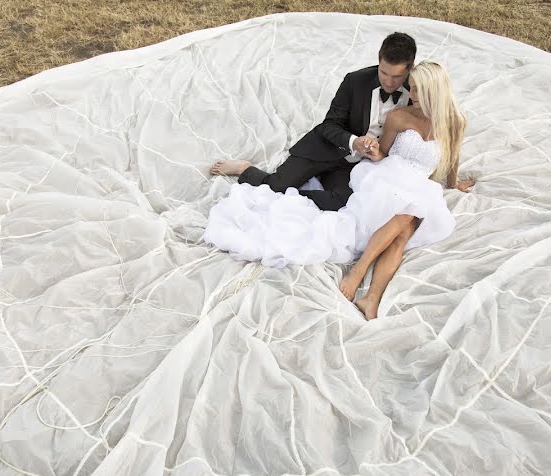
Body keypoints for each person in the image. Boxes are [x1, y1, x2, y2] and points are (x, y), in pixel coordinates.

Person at [203, 61, 475, 320]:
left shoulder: (454, 120)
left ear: (433, 91)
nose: (410, 93)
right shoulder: (399, 115)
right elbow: (383, 154)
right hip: (387, 176)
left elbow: (452, 154)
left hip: (418, 184)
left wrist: (454, 184)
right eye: (412, 86)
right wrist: (369, 148)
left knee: (402, 235)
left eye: (416, 89)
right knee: (407, 215)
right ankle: (357, 272)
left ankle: (372, 298)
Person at [210, 32, 418, 211]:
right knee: (275, 186)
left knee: (342, 204)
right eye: (383, 73)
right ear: (378, 60)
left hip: (354, 167)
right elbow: (329, 125)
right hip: (324, 148)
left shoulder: (417, 90)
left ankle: (297, 193)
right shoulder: (355, 81)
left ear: (410, 69)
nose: (389, 82)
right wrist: (354, 141)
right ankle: (244, 169)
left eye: (397, 76)